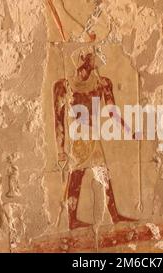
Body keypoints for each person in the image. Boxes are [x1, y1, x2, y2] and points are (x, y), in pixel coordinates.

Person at [53, 47, 135, 230]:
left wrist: (129, 131)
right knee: (78, 174)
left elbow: (112, 111)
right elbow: (58, 120)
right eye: (93, 55)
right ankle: (74, 219)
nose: (97, 58)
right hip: (79, 137)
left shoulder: (102, 83)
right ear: (83, 58)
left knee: (100, 174)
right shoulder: (63, 86)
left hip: (93, 136)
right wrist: (60, 150)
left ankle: (112, 215)